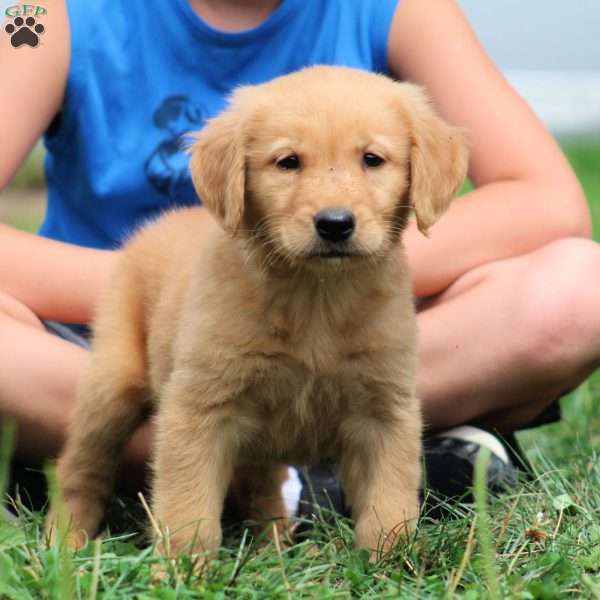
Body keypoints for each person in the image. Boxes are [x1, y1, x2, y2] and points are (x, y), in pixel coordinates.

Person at [1, 0, 598, 516]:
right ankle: (281, 479)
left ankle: (304, 468)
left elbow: (548, 202)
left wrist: (364, 259)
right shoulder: (40, 13)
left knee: (578, 291)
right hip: (96, 347)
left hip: (353, 347)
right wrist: (165, 285)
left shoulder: (404, 8)